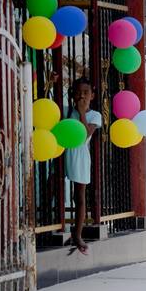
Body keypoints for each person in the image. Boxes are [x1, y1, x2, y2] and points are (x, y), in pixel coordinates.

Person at [64, 78, 102, 255]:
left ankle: (77, 235)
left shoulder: (95, 115)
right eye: (79, 92)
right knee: (53, 187)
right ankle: (48, 226)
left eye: (86, 93)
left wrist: (81, 113)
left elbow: (85, 134)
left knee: (79, 196)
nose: (82, 96)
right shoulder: (67, 111)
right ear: (73, 95)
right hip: (63, 152)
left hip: (80, 156)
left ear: (92, 95)